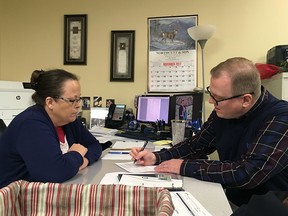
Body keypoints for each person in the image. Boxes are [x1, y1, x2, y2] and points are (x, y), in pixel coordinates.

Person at [130, 57, 288, 207]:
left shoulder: (281, 117)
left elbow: (246, 172)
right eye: (211, 93)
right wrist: (156, 157)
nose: (211, 101)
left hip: (268, 207)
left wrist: (184, 166)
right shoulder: (224, 111)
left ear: (245, 100)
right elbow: (196, 145)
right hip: (232, 198)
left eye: (217, 98)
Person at [0, 69, 102, 188]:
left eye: (79, 99)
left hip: (45, 192)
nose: (78, 105)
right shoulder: (31, 123)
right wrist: (77, 154)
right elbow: (55, 172)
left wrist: (85, 160)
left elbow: (95, 146)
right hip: (15, 199)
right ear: (50, 102)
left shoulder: (68, 120)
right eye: (72, 100)